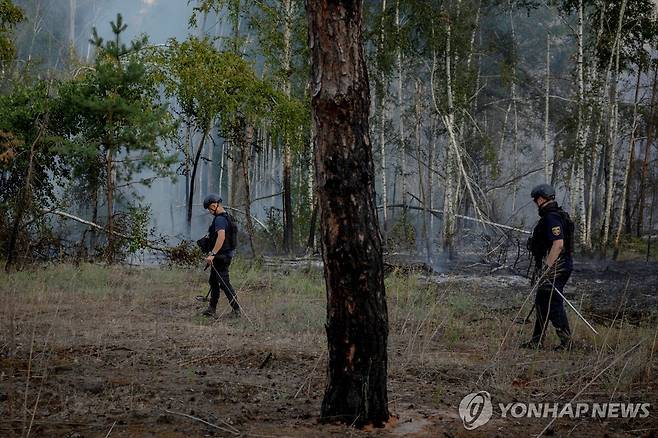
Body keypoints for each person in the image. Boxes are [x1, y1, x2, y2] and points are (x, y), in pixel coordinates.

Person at [522, 184, 574, 351]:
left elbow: (558, 244)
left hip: (556, 266)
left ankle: (567, 343)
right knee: (541, 302)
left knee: (554, 303)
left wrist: (547, 267)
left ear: (542, 199)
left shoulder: (551, 218)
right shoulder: (553, 216)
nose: (536, 203)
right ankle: (536, 341)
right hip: (556, 265)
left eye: (536, 200)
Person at [201, 193, 240, 318]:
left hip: (221, 257)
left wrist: (212, 254)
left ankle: (236, 310)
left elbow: (221, 237)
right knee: (213, 281)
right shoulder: (226, 217)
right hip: (222, 256)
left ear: (214, 205)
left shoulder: (220, 219)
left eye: (209, 208)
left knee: (224, 283)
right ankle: (211, 309)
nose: (209, 211)